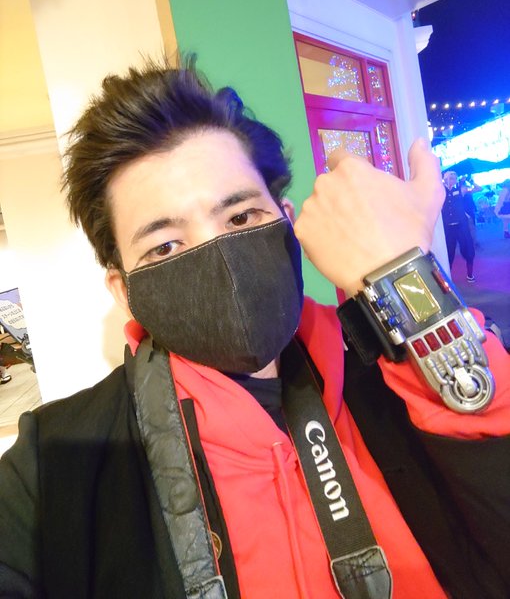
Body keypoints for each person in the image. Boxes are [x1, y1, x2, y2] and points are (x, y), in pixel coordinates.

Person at [0, 58, 508, 599]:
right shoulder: (56, 463)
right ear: (124, 291)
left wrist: (408, 284)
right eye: (165, 246)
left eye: (241, 218)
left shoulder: (397, 376)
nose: (219, 257)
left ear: (288, 222)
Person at [441, 170, 476, 281]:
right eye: (450, 178)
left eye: (454, 178)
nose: (453, 180)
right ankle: (447, 277)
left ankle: (470, 274)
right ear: (445, 179)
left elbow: (478, 189)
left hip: (461, 226)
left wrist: (470, 181)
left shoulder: (461, 189)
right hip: (448, 227)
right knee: (448, 252)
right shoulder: (440, 190)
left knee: (468, 249)